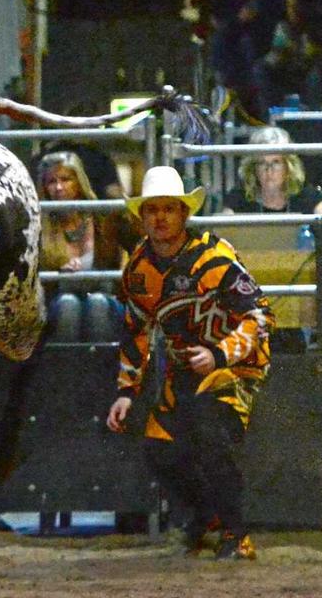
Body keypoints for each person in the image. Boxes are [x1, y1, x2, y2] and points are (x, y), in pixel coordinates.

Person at [105, 166, 273, 561]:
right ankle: (207, 518)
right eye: (152, 210)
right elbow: (135, 331)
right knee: (159, 449)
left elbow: (261, 316)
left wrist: (219, 355)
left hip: (237, 364)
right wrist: (127, 391)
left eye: (169, 209)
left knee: (211, 436)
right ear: (141, 218)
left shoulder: (214, 259)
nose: (160, 218)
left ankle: (236, 533)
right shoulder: (138, 270)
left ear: (184, 214)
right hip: (183, 365)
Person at [37, 151, 140, 341]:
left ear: (79, 182)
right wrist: (58, 275)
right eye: (51, 182)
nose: (58, 187)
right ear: (44, 188)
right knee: (68, 305)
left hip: (104, 294)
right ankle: (67, 367)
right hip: (59, 299)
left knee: (98, 303)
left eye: (65, 179)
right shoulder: (39, 226)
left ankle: (105, 368)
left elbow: (139, 242)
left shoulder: (103, 217)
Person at [220, 126, 322, 215]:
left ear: (288, 165)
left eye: (276, 162)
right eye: (262, 163)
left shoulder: (306, 194)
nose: (269, 171)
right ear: (253, 167)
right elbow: (219, 234)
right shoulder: (240, 196)